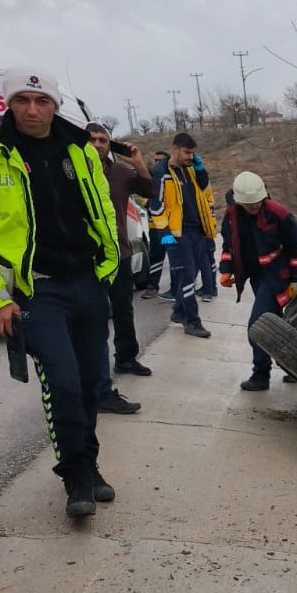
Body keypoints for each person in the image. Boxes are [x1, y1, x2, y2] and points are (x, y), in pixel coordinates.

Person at [0, 67, 120, 518]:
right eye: (22, 101)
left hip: (86, 280)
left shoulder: (79, 147)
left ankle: (90, 464)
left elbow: (101, 204)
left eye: (41, 100)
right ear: (8, 105)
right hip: (36, 291)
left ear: (55, 104)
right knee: (63, 383)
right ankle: (76, 478)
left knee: (89, 385)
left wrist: (109, 266)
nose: (32, 110)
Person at [86, 121, 154, 413]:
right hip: (88, 259)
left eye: (103, 140)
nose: (98, 144)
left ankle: (126, 357)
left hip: (121, 254)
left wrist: (137, 162)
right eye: (93, 140)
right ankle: (94, 379)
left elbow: (150, 190)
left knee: (124, 308)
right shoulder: (74, 171)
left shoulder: (121, 173)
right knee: (95, 316)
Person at [219, 171, 297, 391]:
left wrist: (296, 279)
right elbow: (228, 245)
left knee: (258, 326)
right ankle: (293, 368)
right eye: (250, 204)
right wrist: (226, 269)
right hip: (256, 276)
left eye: (258, 202)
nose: (255, 207)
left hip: (277, 275)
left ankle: (260, 375)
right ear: (239, 201)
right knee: (277, 323)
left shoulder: (278, 214)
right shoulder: (232, 216)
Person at [148, 133, 214, 338]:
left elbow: (204, 191)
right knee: (186, 276)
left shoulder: (191, 169)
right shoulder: (160, 172)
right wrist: (165, 233)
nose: (190, 156)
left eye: (193, 152)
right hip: (177, 234)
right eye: (187, 152)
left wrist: (201, 171)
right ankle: (192, 321)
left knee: (192, 273)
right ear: (175, 149)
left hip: (197, 229)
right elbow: (155, 205)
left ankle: (178, 311)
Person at [140, 149, 172, 300]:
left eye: (161, 160)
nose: (157, 163)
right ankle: (152, 286)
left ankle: (176, 288)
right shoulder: (151, 179)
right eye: (155, 160)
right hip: (155, 227)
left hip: (172, 228)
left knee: (175, 258)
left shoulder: (172, 179)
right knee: (155, 257)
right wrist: (148, 202)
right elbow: (144, 199)